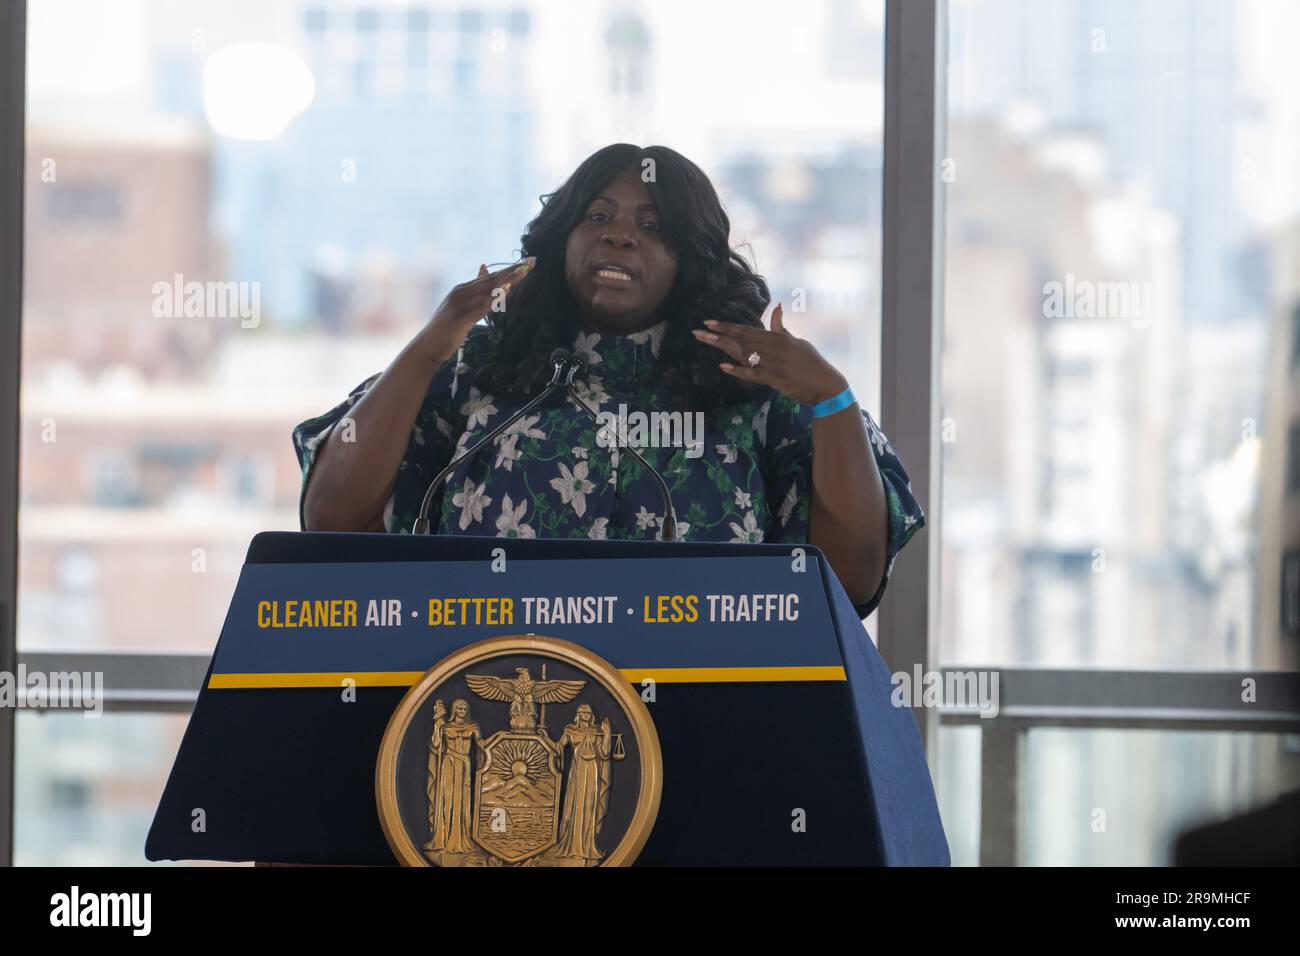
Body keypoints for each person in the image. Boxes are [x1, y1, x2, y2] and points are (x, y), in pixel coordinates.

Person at [293, 143, 923, 613]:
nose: (620, 237)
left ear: (691, 257)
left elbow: (851, 580)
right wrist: (426, 350)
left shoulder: (758, 390)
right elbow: (332, 520)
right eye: (598, 217)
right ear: (561, 238)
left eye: (653, 227)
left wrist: (831, 399)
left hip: (710, 726)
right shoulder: (475, 373)